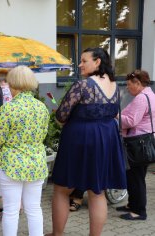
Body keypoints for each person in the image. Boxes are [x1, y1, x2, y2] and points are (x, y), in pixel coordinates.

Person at [49, 48, 127, 236]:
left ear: (97, 62)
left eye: (84, 61)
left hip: (80, 138)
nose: (80, 64)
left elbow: (60, 115)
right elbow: (116, 114)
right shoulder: (116, 86)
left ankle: (57, 234)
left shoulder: (82, 85)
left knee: (62, 189)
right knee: (97, 191)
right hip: (106, 137)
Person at [0, 66, 49, 236]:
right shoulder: (42, 108)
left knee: (10, 210)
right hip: (36, 163)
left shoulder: (8, 109)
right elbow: (43, 135)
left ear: (12, 84)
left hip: (10, 164)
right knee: (34, 208)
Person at [118, 69, 153, 220]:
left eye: (129, 84)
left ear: (138, 83)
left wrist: (116, 116)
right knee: (135, 176)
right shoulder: (150, 95)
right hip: (144, 141)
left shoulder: (141, 98)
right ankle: (132, 204)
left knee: (136, 177)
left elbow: (132, 121)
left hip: (137, 143)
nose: (127, 88)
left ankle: (139, 211)